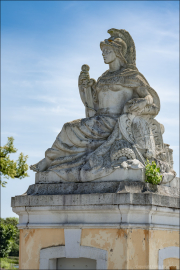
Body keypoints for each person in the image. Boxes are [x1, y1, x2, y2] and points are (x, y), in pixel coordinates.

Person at [30, 29, 160, 182]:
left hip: (115, 122)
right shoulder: (103, 78)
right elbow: (94, 105)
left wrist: (144, 101)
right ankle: (50, 160)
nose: (103, 54)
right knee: (68, 127)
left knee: (69, 128)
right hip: (99, 120)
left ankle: (51, 161)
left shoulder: (132, 76)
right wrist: (85, 88)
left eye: (107, 50)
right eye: (103, 51)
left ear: (118, 52)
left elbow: (149, 96)